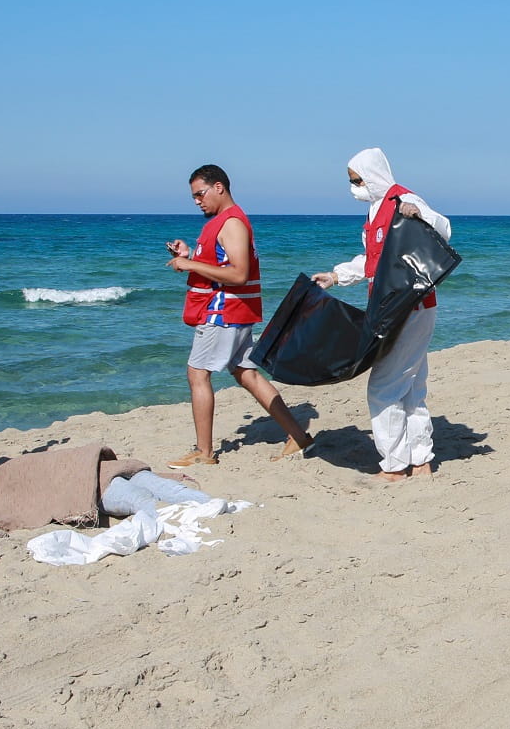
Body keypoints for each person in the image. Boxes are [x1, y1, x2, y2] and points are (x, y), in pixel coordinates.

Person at [310, 148, 452, 481]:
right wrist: (336, 276)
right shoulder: (376, 210)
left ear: (372, 175)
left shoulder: (402, 198)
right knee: (411, 386)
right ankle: (421, 460)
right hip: (396, 306)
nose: (353, 188)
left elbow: (444, 229)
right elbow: (372, 260)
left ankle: (394, 465)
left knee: (383, 386)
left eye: (356, 180)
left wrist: (419, 214)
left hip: (408, 308)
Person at [165, 164, 314, 467]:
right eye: (193, 196)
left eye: (200, 194)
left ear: (219, 187)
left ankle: (204, 454)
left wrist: (190, 267)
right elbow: (222, 264)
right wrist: (190, 255)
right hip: (236, 311)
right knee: (246, 373)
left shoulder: (232, 223)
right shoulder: (224, 222)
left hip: (224, 312)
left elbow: (238, 273)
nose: (197, 201)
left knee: (197, 374)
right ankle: (298, 435)